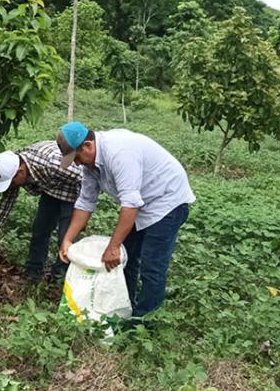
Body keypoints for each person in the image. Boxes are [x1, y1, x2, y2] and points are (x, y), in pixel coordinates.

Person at [56, 121, 195, 317]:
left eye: (77, 158)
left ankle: (144, 322)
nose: (77, 164)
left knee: (152, 265)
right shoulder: (90, 165)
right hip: (141, 204)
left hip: (167, 201)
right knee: (125, 258)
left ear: (87, 145)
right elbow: (85, 202)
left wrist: (113, 246)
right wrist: (67, 240)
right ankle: (124, 309)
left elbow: (130, 204)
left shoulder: (119, 153)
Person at [0, 141, 82, 282]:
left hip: (73, 191)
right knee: (40, 230)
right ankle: (33, 273)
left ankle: (61, 278)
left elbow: (85, 178)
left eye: (12, 183)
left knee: (66, 237)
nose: (12, 186)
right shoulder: (15, 167)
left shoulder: (54, 163)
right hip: (51, 189)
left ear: (20, 172)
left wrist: (82, 212)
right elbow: (8, 197)